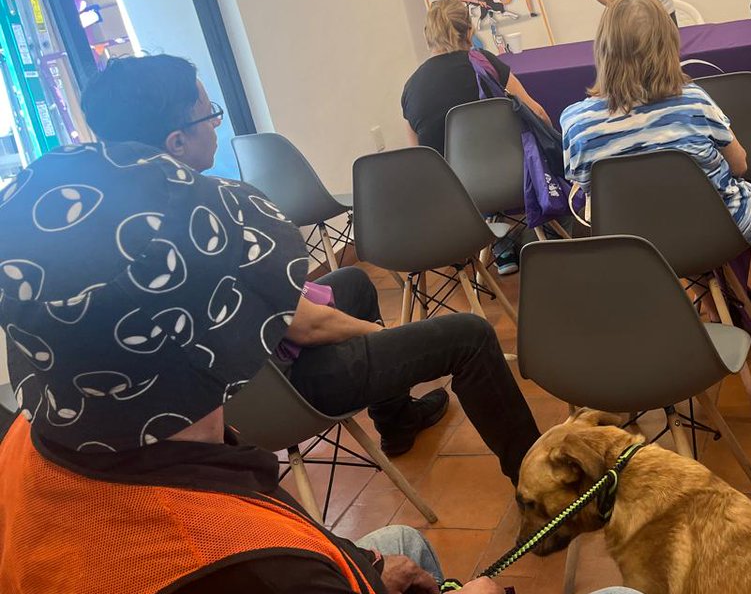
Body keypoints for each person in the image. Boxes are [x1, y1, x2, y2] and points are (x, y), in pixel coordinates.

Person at [0, 144, 674, 594]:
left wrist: (360, 571)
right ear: (204, 341)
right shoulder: (244, 566)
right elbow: (258, 574)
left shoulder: (29, 440)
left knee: (400, 543)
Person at [80, 54, 540, 474]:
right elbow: (307, 328)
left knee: (353, 283)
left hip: (232, 392)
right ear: (176, 141)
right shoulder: (203, 217)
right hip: (285, 388)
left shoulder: (116, 217)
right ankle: (537, 482)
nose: (217, 124)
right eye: (209, 114)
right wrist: (389, 337)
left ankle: (397, 420)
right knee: (470, 336)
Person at [561, 0, 751, 344]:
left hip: (636, 245)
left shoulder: (576, 121)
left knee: (667, 214)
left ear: (603, 49)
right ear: (668, 45)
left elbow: (583, 186)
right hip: (715, 231)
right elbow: (741, 165)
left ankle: (712, 310)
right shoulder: (693, 101)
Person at [403, 0, 552, 275]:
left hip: (456, 197)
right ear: (469, 31)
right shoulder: (484, 63)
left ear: (428, 35)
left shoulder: (412, 87)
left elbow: (418, 158)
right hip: (513, 179)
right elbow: (538, 112)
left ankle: (500, 245)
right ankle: (548, 235)